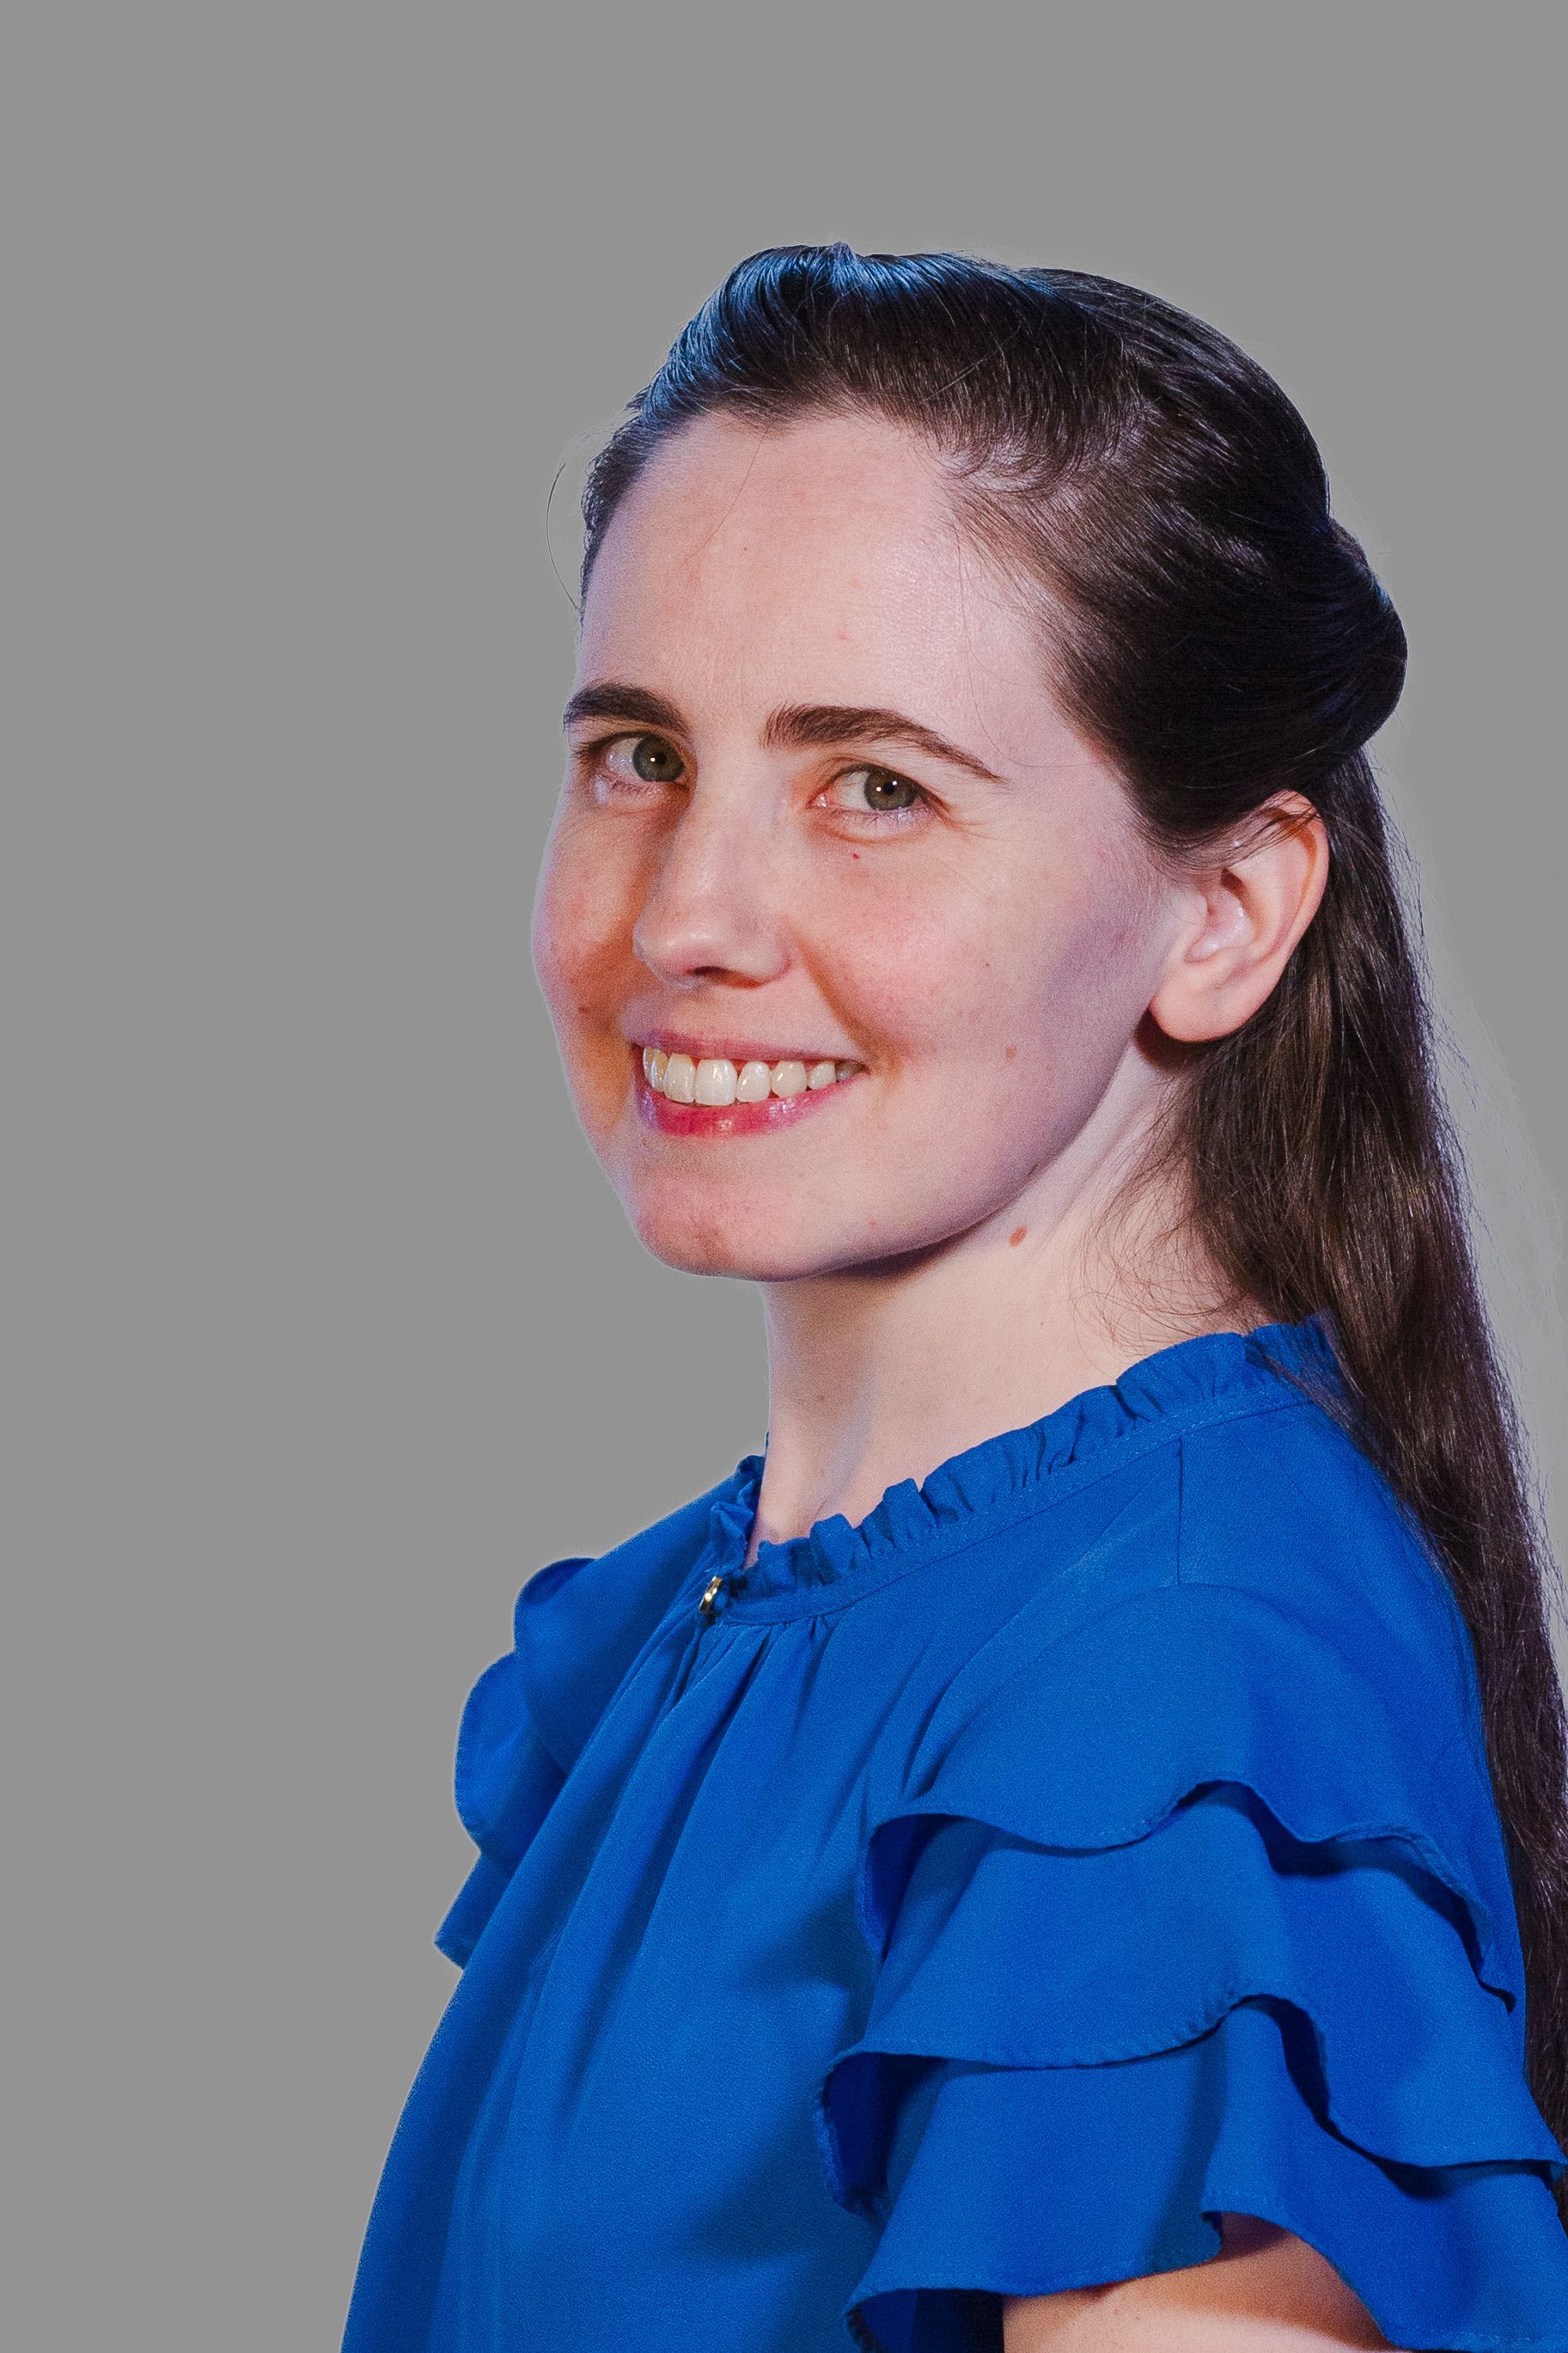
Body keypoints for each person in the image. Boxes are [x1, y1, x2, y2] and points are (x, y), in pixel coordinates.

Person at [340, 247, 1568, 2351]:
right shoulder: (744, 1610)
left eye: (874, 785)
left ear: (1229, 911)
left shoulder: (1167, 1699)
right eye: (639, 754)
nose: (692, 917)